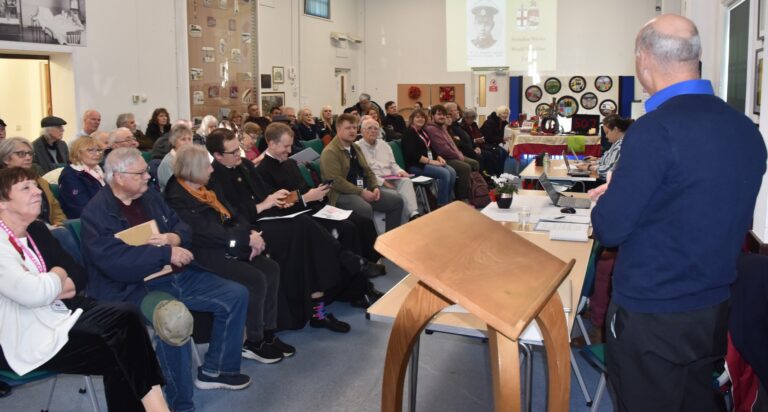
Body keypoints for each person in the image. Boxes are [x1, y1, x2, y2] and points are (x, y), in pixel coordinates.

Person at [591, 14, 767, 411]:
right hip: (715, 309)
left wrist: (614, 192)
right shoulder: (745, 130)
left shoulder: (654, 131)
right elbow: (696, 203)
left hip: (652, 313)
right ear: (696, 58)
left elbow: (610, 229)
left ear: (643, 59)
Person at [81, 148, 251, 411]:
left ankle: (217, 370)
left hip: (175, 274)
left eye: (146, 172)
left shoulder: (149, 196)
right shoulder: (97, 213)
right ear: (117, 177)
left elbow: (181, 225)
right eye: (139, 174)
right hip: (135, 287)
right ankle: (179, 404)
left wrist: (174, 238)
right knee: (174, 321)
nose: (147, 177)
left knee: (235, 294)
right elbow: (115, 264)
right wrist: (164, 252)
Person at [0, 167, 169, 412]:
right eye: (26, 188)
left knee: (126, 331)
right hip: (19, 336)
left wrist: (48, 284)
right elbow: (35, 293)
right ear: (3, 203)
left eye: (35, 185)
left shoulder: (36, 230)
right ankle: (159, 408)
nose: (38, 191)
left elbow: (78, 275)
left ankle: (157, 408)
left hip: (54, 313)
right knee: (124, 345)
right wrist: (57, 275)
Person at [206, 128, 362, 331]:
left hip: (269, 219)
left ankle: (319, 311)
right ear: (217, 155)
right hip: (249, 228)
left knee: (308, 238)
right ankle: (344, 260)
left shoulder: (244, 165)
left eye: (238, 149)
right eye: (233, 152)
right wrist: (264, 205)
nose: (239, 155)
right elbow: (231, 214)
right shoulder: (213, 177)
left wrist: (279, 200)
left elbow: (263, 192)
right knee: (304, 227)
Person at [164, 145, 293, 363]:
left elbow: (235, 215)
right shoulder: (176, 198)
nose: (212, 170)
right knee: (255, 278)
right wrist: (244, 240)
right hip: (204, 254)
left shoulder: (208, 189)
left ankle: (268, 333)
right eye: (207, 167)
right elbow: (205, 233)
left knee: (271, 268)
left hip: (228, 243)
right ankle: (253, 341)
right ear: (194, 169)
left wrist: (251, 234)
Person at [256, 122, 386, 280]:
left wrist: (317, 190)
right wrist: (306, 198)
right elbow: (278, 203)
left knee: (361, 220)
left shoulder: (289, 163)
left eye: (290, 146)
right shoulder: (261, 171)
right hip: (297, 216)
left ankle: (367, 263)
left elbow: (303, 188)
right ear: (271, 143)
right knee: (348, 228)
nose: (290, 151)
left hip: (313, 206)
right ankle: (356, 275)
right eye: (286, 146)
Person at [320, 113, 404, 232]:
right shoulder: (330, 152)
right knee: (364, 208)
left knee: (396, 202)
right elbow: (336, 182)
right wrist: (361, 192)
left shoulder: (355, 147)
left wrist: (374, 186)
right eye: (348, 128)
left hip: (362, 189)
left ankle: (390, 239)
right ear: (338, 129)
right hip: (340, 194)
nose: (352, 131)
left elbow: (368, 171)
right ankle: (369, 245)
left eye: (354, 128)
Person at [0, 138, 79, 261]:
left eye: (30, 153)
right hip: (20, 232)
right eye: (21, 154)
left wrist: (59, 223)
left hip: (48, 228)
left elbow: (55, 207)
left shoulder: (40, 181)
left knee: (66, 231)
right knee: (62, 235)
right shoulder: (3, 184)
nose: (28, 157)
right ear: (6, 159)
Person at [356, 118, 419, 221]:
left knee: (406, 181)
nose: (373, 131)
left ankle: (413, 214)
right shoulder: (357, 147)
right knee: (397, 196)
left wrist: (400, 171)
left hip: (390, 177)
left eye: (376, 128)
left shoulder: (384, 145)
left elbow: (393, 165)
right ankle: (403, 224)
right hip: (374, 182)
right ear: (362, 131)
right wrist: (383, 182)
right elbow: (364, 172)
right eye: (369, 128)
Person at [401, 109, 456, 207]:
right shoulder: (408, 133)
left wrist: (438, 157)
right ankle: (442, 205)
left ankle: (447, 200)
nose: (420, 119)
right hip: (415, 165)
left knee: (452, 171)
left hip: (426, 163)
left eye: (422, 117)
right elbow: (412, 155)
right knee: (444, 173)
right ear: (412, 119)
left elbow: (429, 148)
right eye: (417, 117)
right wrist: (431, 162)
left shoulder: (422, 132)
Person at [424, 105, 478, 201]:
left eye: (444, 115)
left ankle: (473, 191)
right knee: (465, 167)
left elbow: (452, 143)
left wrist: (459, 154)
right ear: (432, 116)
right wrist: (458, 155)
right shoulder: (431, 129)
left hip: (453, 155)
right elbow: (443, 150)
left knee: (475, 163)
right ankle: (461, 197)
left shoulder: (441, 127)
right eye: (439, 114)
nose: (442, 117)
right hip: (444, 158)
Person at [58, 136, 105, 219]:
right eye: (90, 150)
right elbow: (81, 208)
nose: (97, 153)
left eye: (98, 150)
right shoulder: (70, 175)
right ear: (78, 152)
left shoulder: (100, 170)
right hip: (87, 221)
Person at [577, 114, 633, 181]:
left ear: (615, 129)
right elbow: (607, 162)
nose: (606, 136)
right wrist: (595, 160)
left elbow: (607, 171)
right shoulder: (616, 143)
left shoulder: (620, 146)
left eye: (607, 133)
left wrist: (589, 167)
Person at [157, 123, 193, 191]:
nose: (188, 142)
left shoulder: (191, 158)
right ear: (173, 141)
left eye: (189, 139)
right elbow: (176, 188)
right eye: (183, 139)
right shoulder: (167, 163)